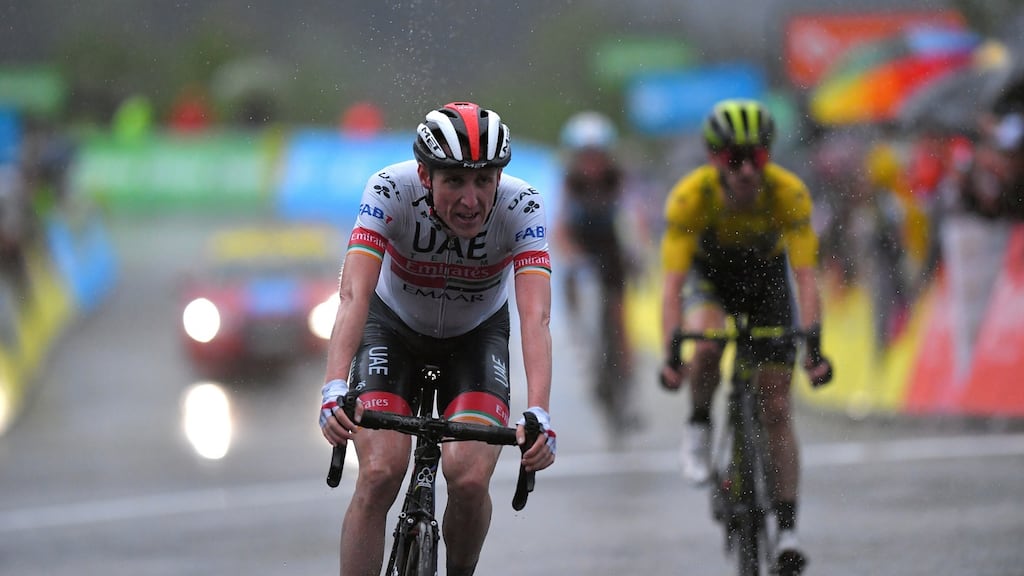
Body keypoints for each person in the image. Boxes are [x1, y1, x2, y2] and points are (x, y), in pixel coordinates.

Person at [318, 101, 557, 576]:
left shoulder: (522, 204)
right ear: (425, 176)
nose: (471, 201)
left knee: (468, 479)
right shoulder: (390, 189)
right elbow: (353, 295)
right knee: (381, 471)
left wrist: (540, 411)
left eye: (483, 181)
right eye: (454, 181)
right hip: (393, 329)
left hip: (475, 338)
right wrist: (333, 386)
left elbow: (536, 318)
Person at [658, 99, 833, 574]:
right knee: (709, 344)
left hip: (765, 282)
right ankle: (698, 423)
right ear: (715, 161)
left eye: (756, 158)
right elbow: (672, 287)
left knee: (777, 406)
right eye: (733, 160)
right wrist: (673, 353)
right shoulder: (691, 198)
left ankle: (788, 529)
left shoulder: (789, 194)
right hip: (710, 279)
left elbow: (806, 277)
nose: (746, 171)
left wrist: (813, 344)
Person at [552, 111, 636, 428]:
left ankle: (625, 377)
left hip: (611, 249)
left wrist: (635, 249)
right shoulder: (568, 181)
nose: (591, 163)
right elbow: (559, 227)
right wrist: (571, 256)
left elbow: (633, 217)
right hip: (581, 250)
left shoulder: (617, 177)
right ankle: (584, 347)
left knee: (618, 315)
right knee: (576, 295)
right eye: (584, 156)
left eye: (596, 156)